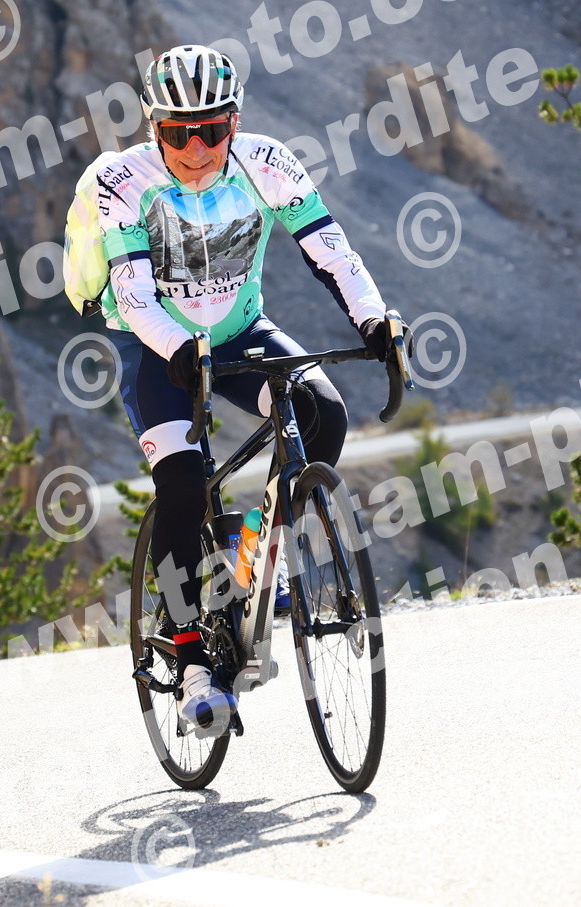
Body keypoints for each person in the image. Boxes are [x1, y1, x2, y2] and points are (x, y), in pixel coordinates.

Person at [78, 44, 400, 737]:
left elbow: (330, 249)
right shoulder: (124, 180)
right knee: (182, 483)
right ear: (152, 127)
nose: (196, 149)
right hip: (155, 343)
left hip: (239, 331)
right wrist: (177, 349)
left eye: (212, 129)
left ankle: (257, 558)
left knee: (323, 414)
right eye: (177, 133)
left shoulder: (268, 163)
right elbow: (133, 294)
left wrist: (374, 319)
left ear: (236, 121)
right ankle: (192, 658)